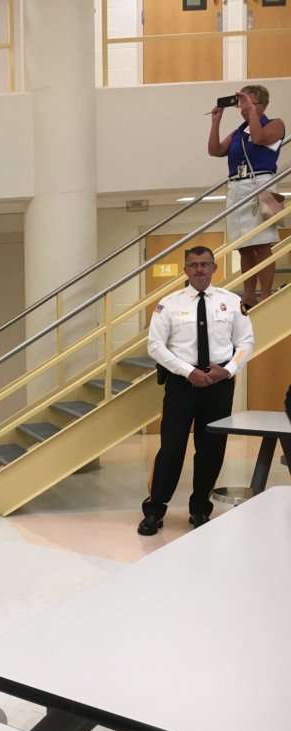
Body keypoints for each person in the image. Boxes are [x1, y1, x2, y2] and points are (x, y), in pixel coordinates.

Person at [138, 246, 254, 536]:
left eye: (205, 264)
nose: (199, 269)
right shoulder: (169, 304)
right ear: (186, 269)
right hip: (182, 384)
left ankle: (200, 509)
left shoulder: (231, 302)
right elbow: (155, 345)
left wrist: (227, 370)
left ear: (215, 268)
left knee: (211, 449)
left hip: (219, 384)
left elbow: (245, 343)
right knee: (171, 448)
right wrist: (187, 370)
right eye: (193, 264)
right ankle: (154, 511)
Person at [208, 84, 285, 306]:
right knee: (244, 246)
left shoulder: (274, 124)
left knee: (262, 243)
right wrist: (216, 121)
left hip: (259, 183)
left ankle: (266, 293)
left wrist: (251, 112)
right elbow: (215, 150)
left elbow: (259, 138)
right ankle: (249, 294)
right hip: (237, 186)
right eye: (242, 104)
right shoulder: (239, 132)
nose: (242, 108)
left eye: (248, 103)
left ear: (262, 104)